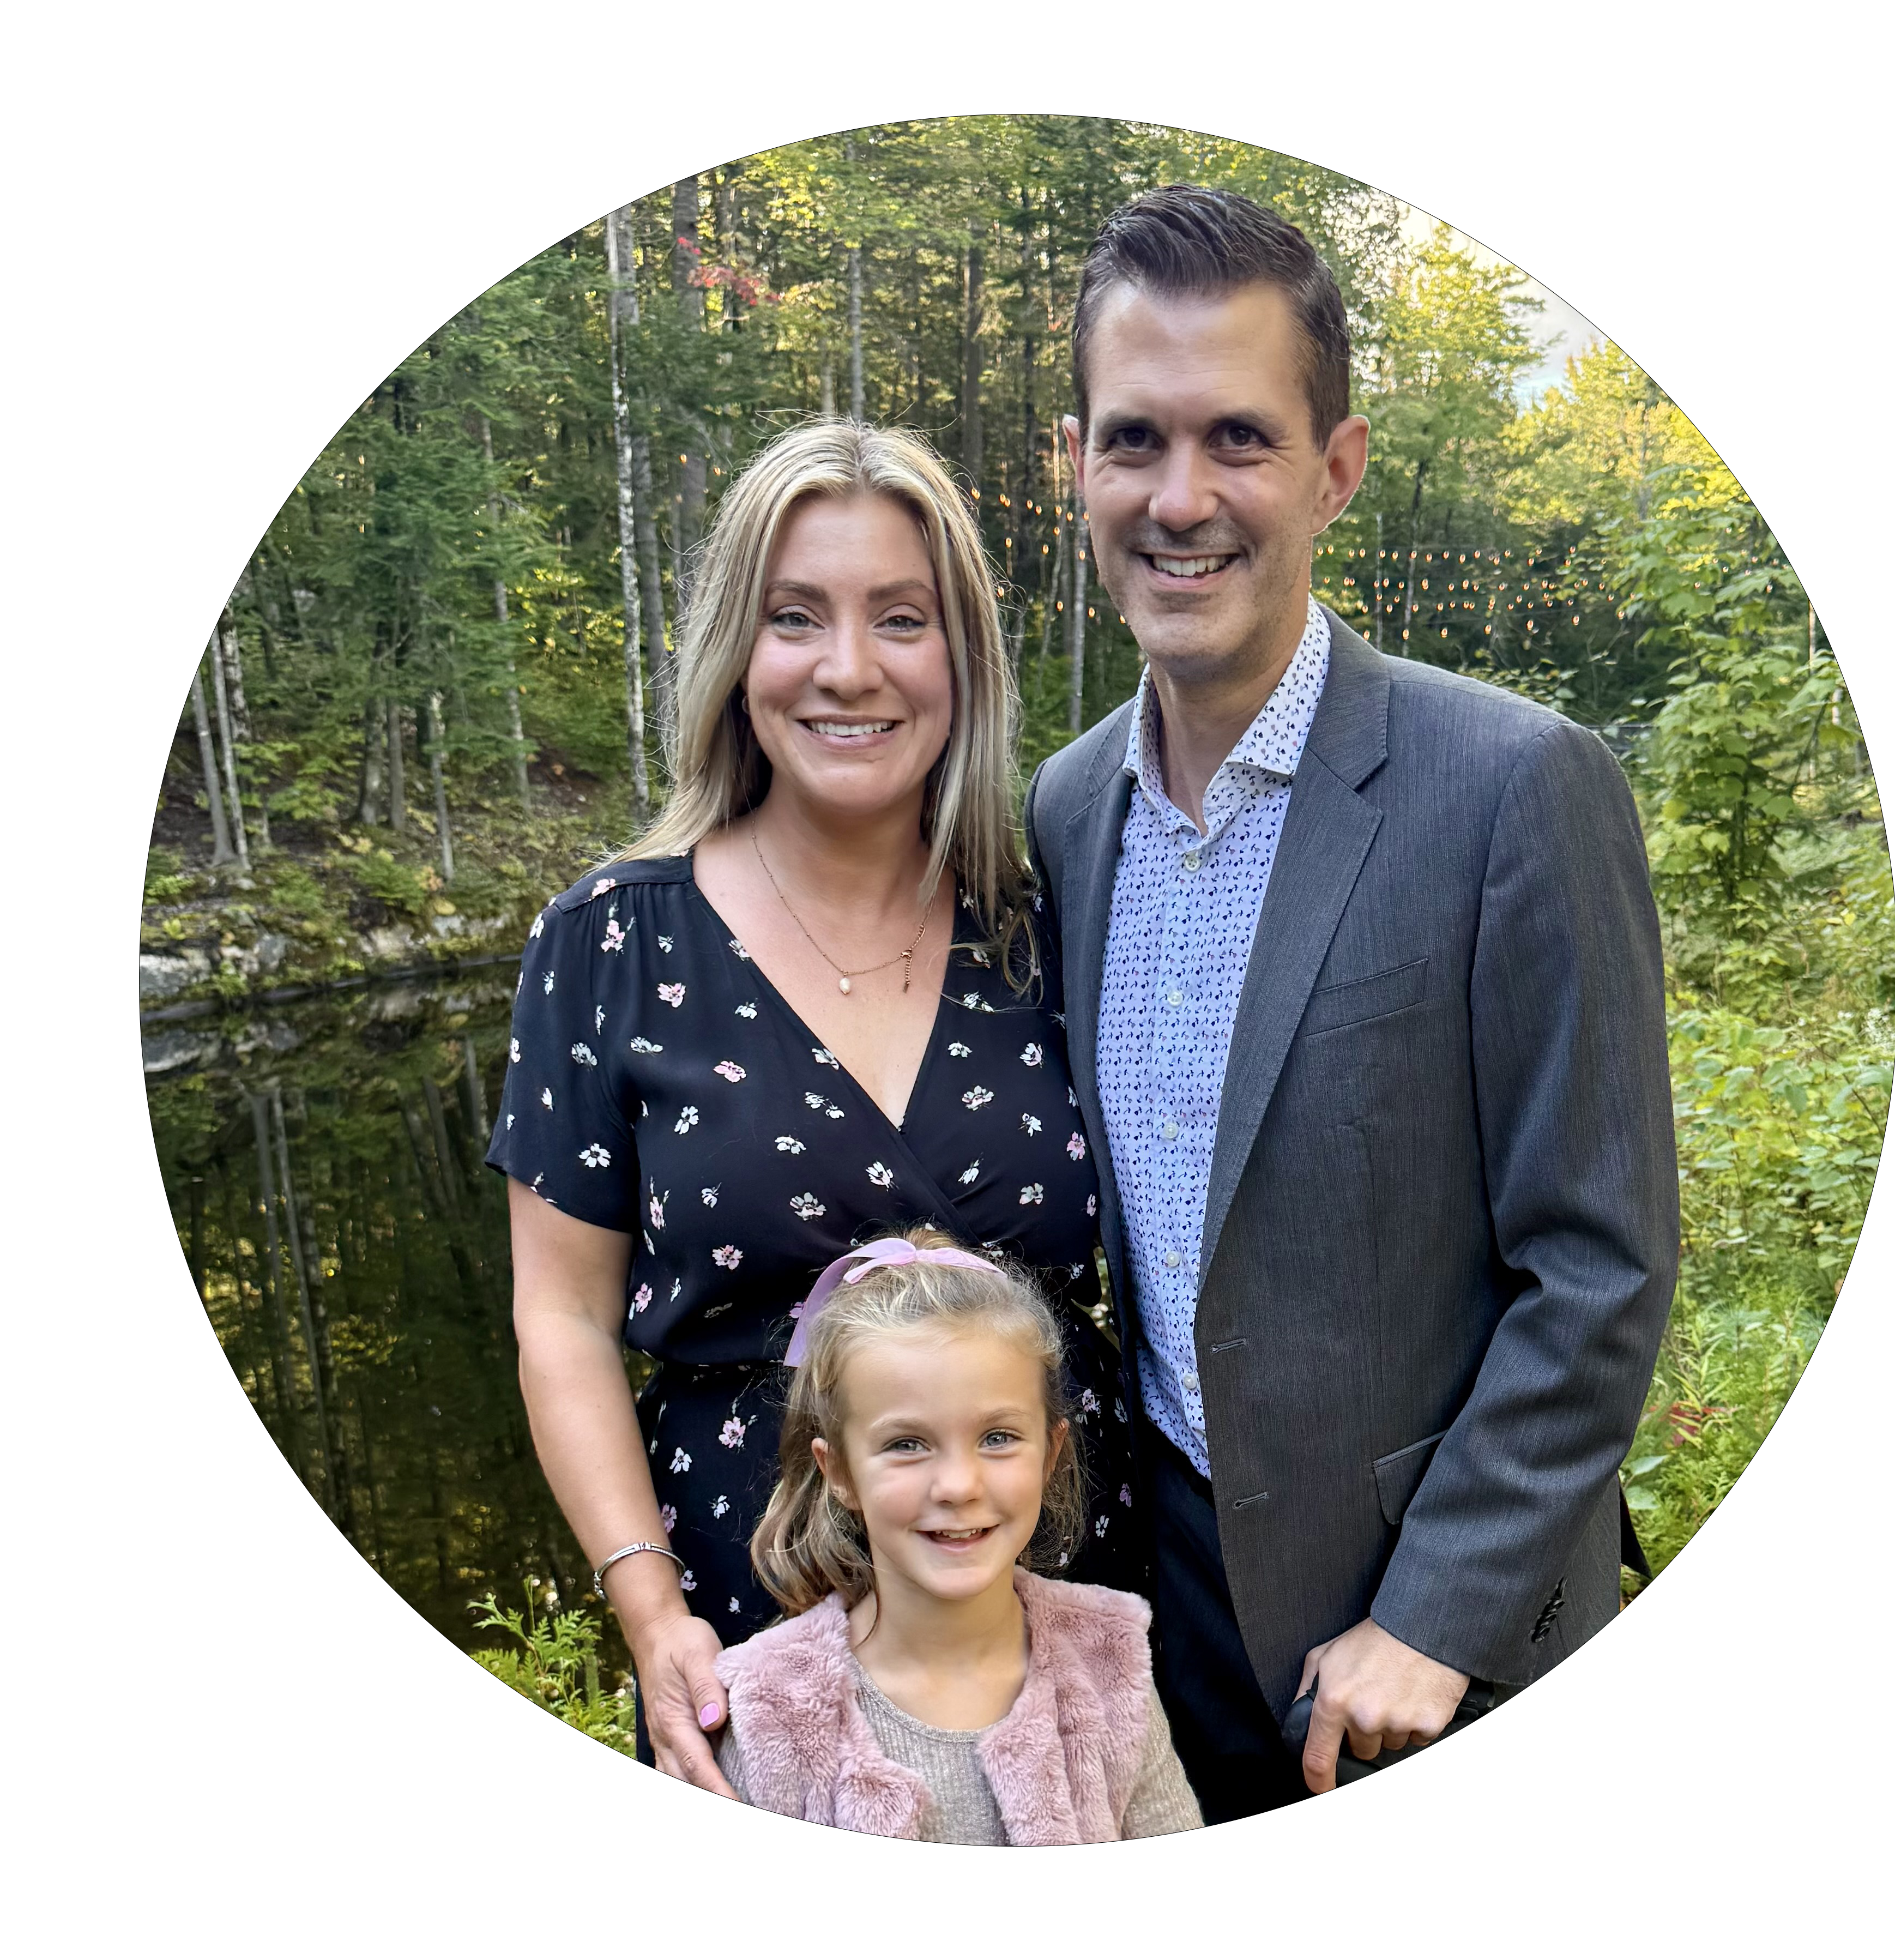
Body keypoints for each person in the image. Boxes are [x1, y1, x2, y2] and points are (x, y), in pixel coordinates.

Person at [1025, 186, 1681, 1823]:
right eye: (1135, 441)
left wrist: (1433, 1616)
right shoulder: (1058, 811)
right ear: (1075, 467)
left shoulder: (1513, 787)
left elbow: (1597, 1263)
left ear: (1336, 468)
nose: (1182, 499)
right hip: (1172, 1625)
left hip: (1438, 1666)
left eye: (1239, 439)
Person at [486, 420, 1136, 1794]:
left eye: (900, 618)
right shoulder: (614, 939)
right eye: (796, 617)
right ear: (737, 652)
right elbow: (559, 1316)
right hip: (748, 1621)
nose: (848, 667)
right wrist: (649, 1607)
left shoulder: (1044, 917)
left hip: (1058, 1609)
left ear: (959, 656)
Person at [710, 1227, 1200, 1843]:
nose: (958, 1485)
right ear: (838, 1472)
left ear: (1049, 1456)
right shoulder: (769, 1709)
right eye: (906, 1444)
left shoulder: (1110, 1662)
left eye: (997, 1437)